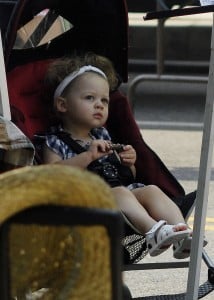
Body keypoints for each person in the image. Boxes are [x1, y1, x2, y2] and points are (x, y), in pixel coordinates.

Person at [42, 53, 192, 259]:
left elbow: (123, 174)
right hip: (81, 203)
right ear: (62, 105)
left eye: (105, 100)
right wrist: (87, 157)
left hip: (116, 195)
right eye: (89, 98)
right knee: (120, 193)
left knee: (151, 190)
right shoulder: (54, 140)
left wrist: (128, 163)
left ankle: (181, 233)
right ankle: (154, 231)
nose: (99, 105)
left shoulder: (102, 135)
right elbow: (51, 174)